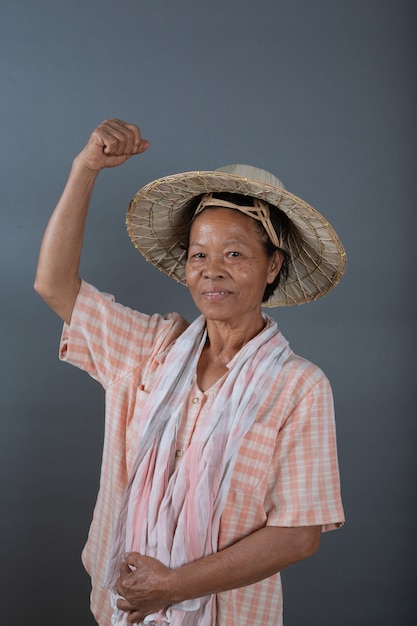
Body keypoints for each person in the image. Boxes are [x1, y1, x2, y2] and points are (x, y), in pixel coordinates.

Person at [35, 118, 346, 626]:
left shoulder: (299, 386)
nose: (212, 269)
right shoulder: (151, 349)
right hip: (122, 609)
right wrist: (85, 167)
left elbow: (297, 534)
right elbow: (53, 284)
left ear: (273, 266)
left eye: (236, 254)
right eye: (199, 254)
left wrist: (174, 587)